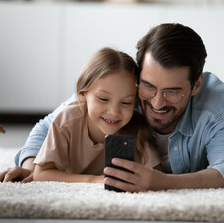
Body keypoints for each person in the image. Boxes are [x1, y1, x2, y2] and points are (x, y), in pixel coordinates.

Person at [0, 23, 224, 191]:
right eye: (149, 87)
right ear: (138, 74)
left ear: (196, 84)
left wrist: (163, 183)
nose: (156, 102)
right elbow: (50, 124)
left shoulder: (219, 106)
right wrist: (31, 167)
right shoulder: (124, 91)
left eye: (172, 91)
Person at [28, 47, 160, 183]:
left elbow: (158, 174)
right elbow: (41, 174)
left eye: (126, 102)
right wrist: (93, 180)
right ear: (82, 93)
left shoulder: (137, 127)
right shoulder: (66, 121)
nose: (114, 112)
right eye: (103, 99)